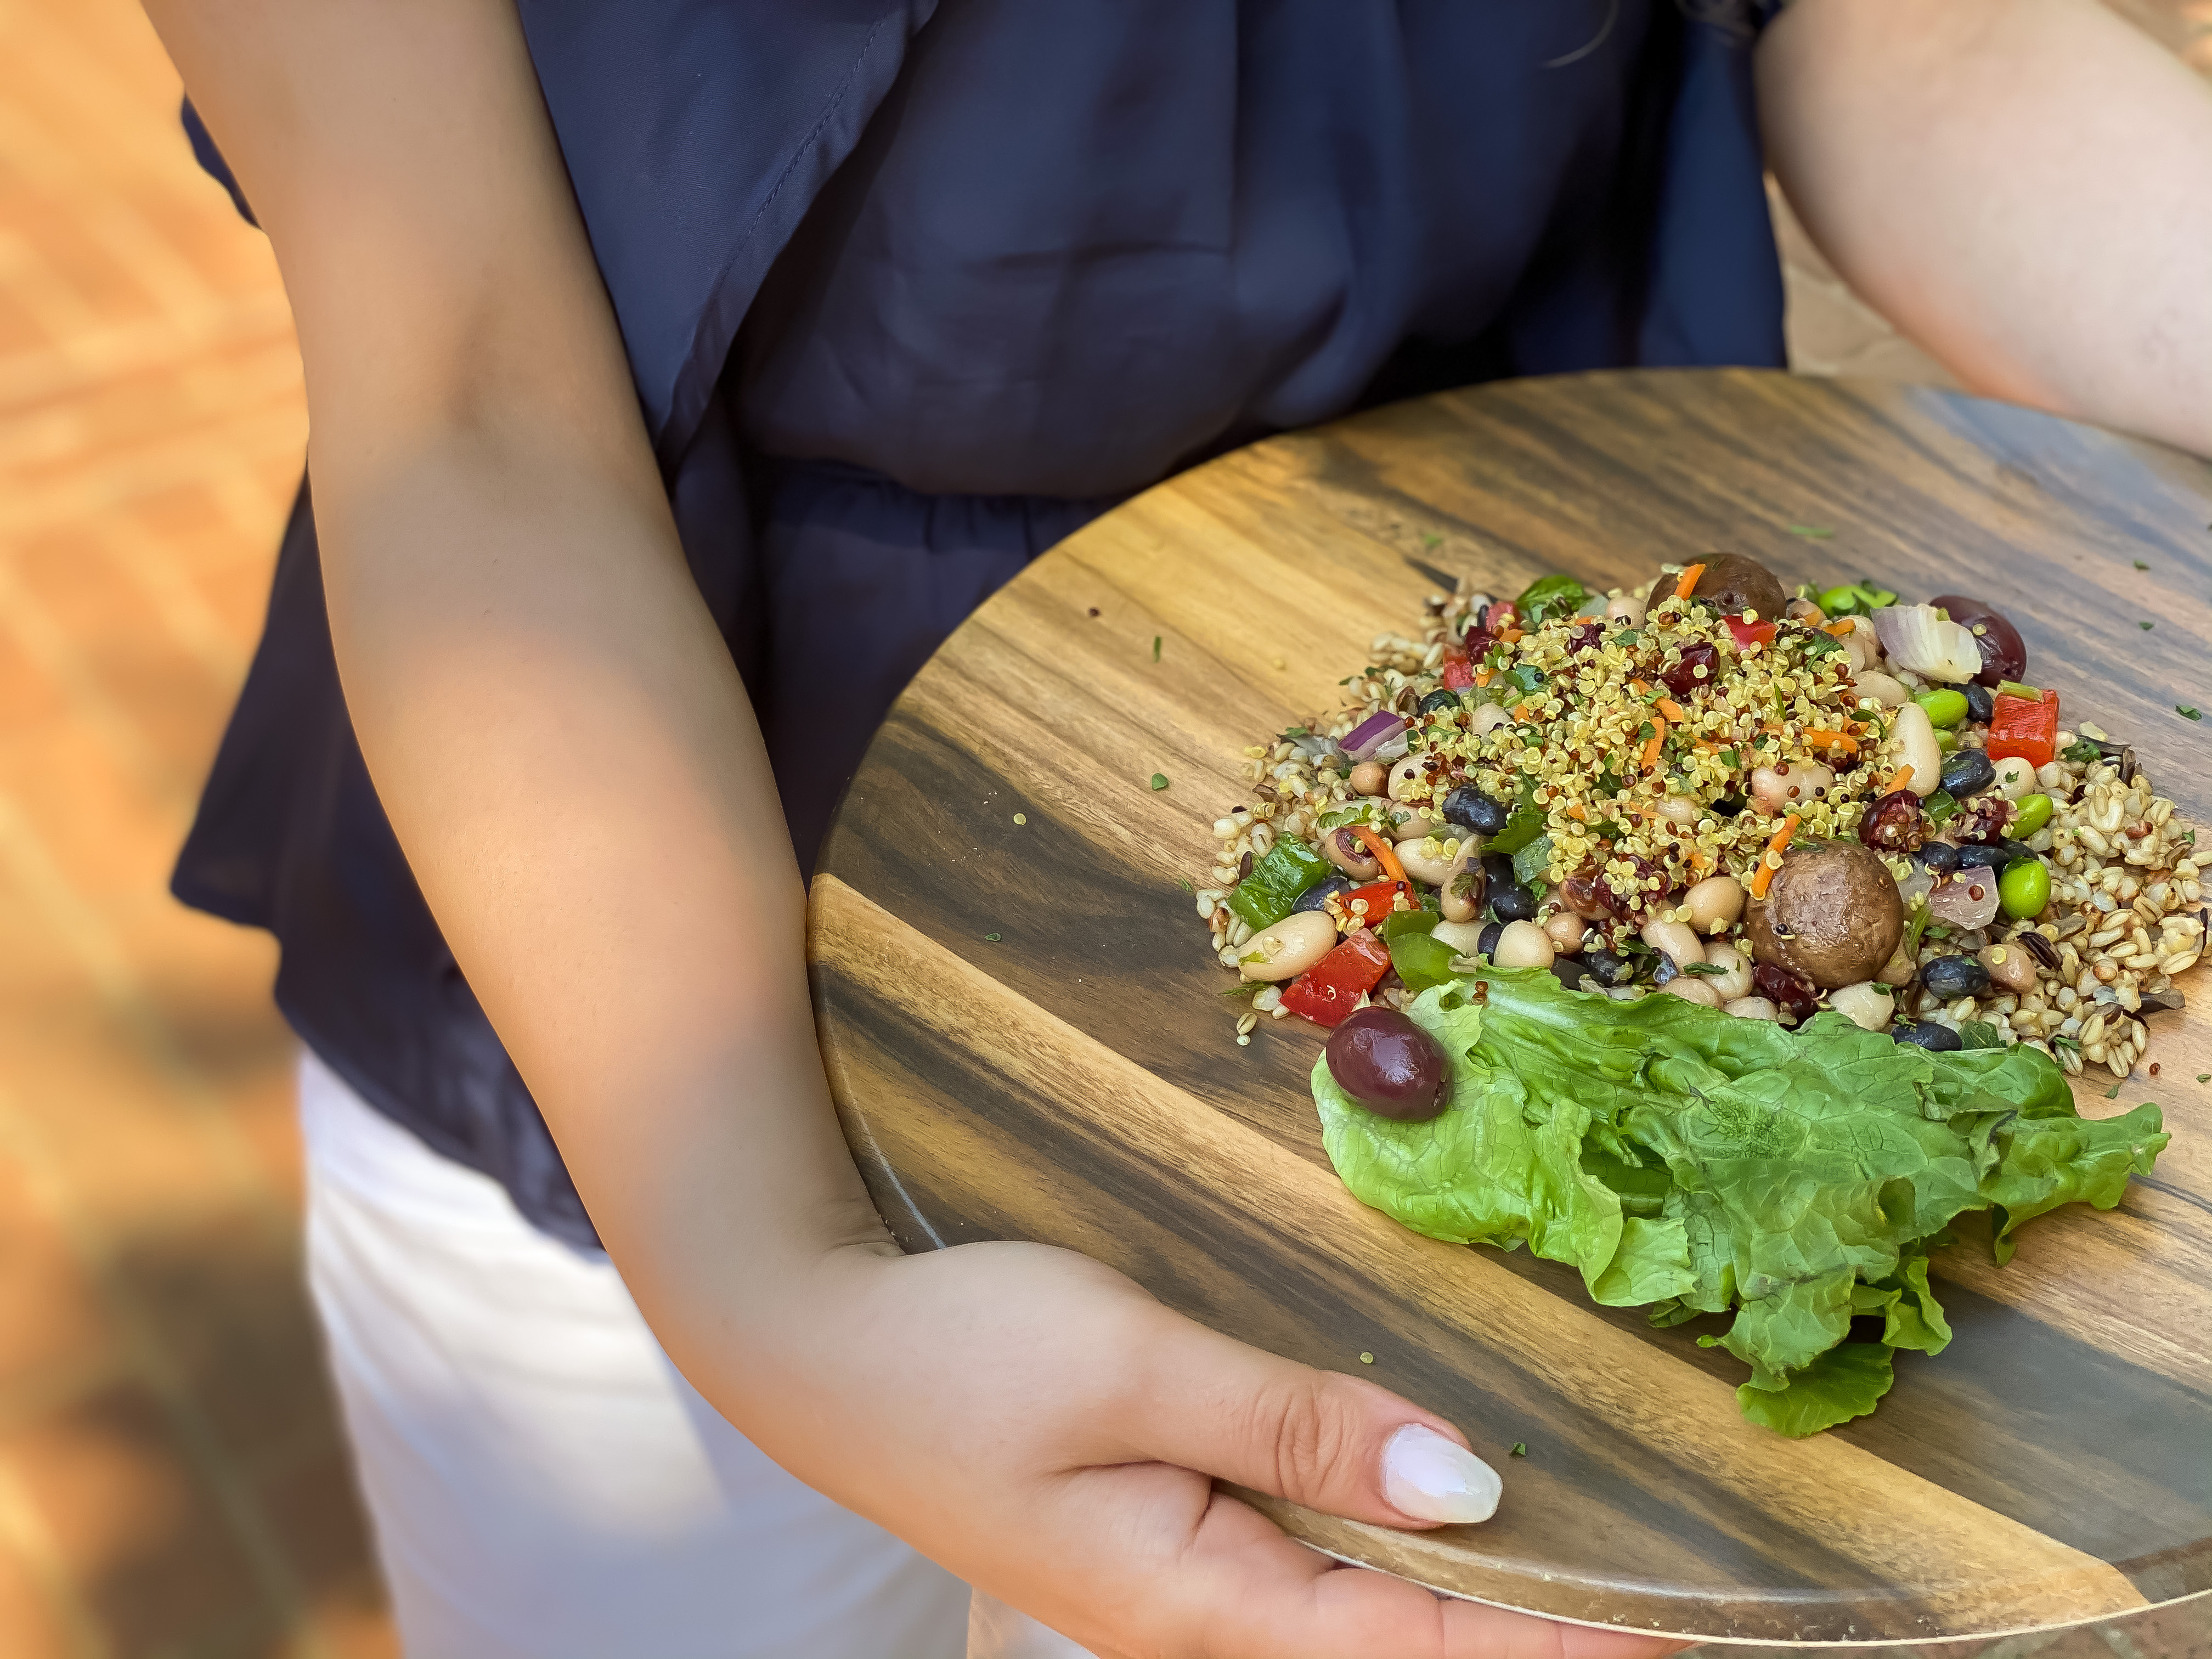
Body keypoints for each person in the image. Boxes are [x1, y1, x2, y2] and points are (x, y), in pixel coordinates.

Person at [144, 0, 2211, 1655]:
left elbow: (1911, 28)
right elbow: (469, 395)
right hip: (617, 987)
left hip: (1451, 837)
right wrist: (769, 1283)